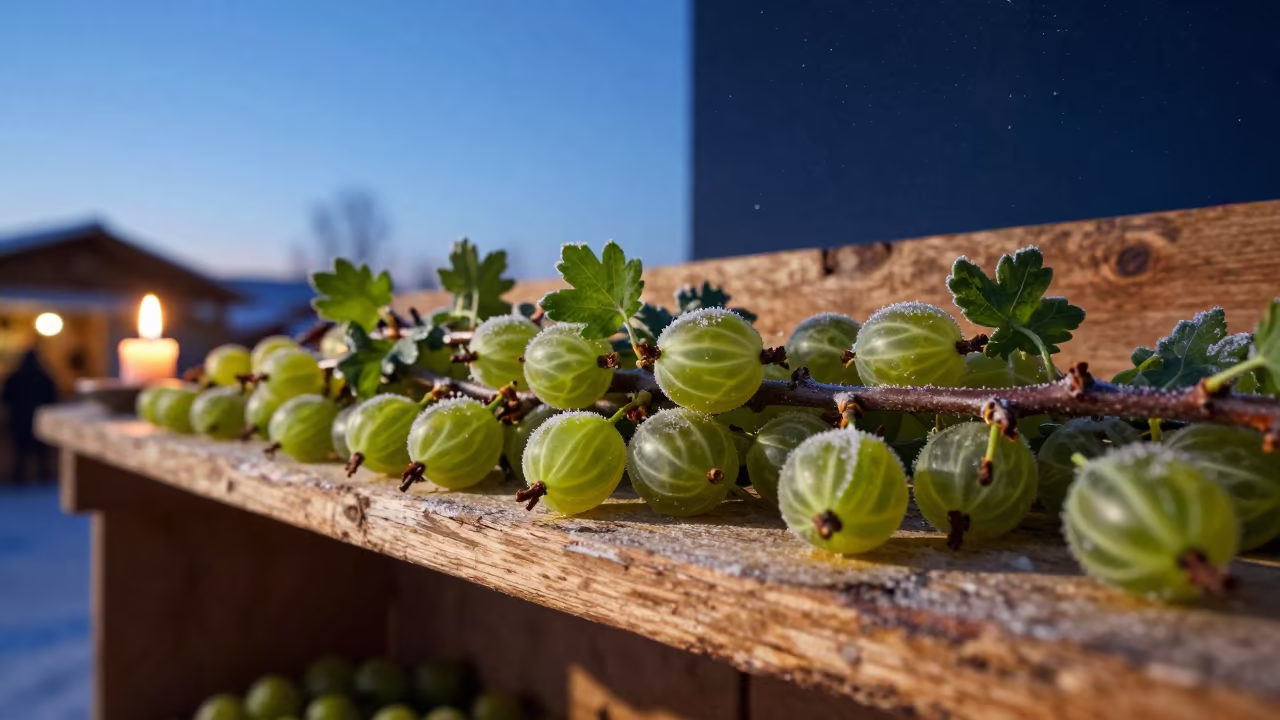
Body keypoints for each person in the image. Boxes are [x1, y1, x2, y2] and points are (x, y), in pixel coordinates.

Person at [2, 347, 58, 483]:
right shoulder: (44, 377)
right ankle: (43, 477)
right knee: (41, 453)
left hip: (20, 419)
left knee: (20, 452)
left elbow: (5, 398)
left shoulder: (14, 377)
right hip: (39, 418)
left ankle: (19, 478)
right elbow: (53, 397)